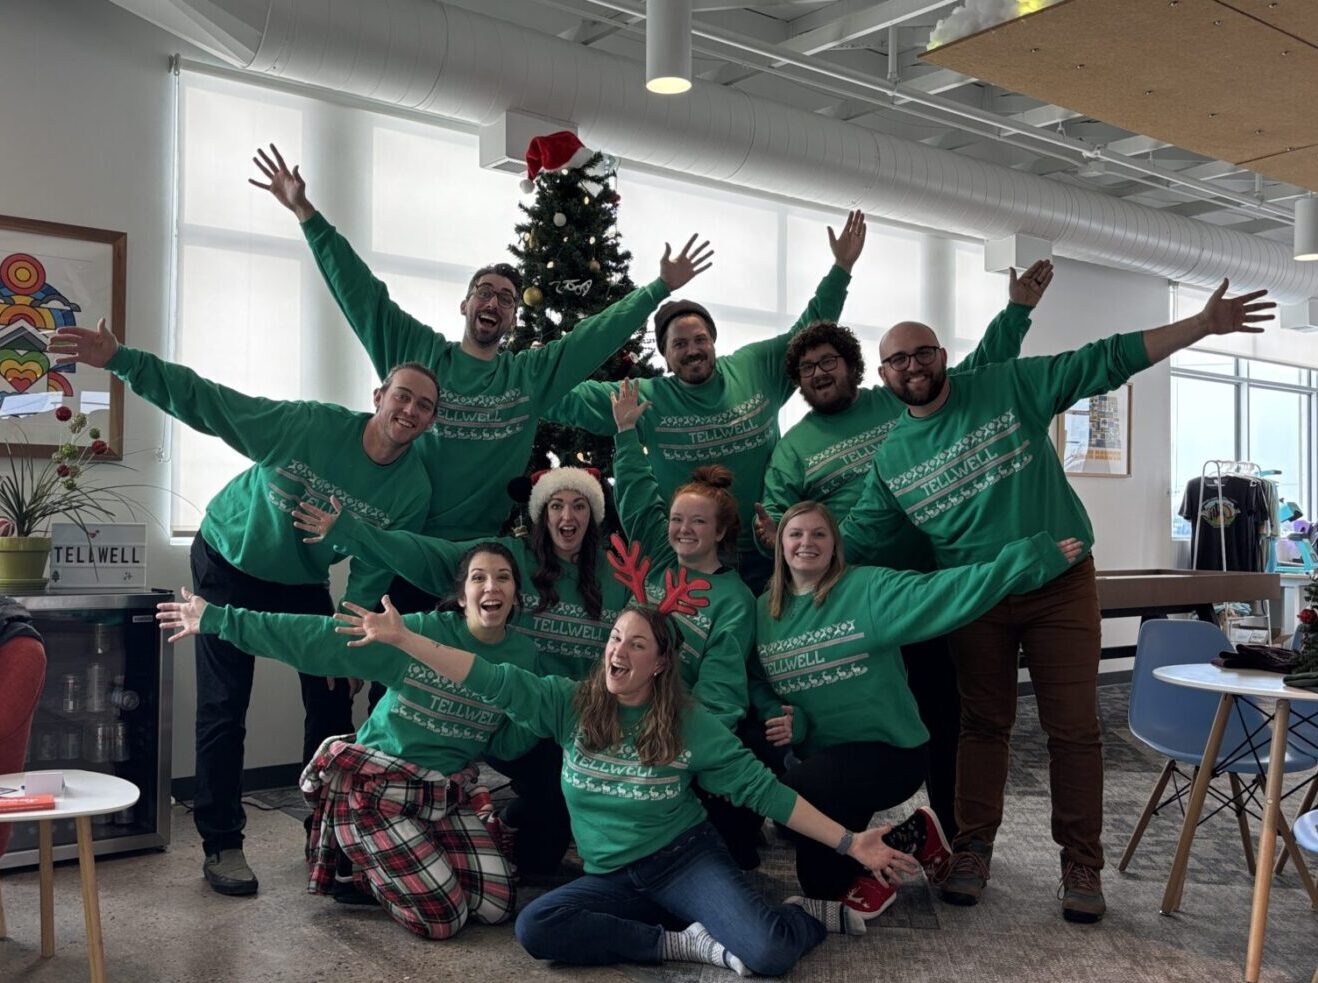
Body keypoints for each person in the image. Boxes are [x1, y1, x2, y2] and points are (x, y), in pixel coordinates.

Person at [838, 278, 1275, 922]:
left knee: (1073, 729)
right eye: (898, 359)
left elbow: (1103, 358)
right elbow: (857, 539)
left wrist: (1201, 325)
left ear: (942, 356)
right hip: (976, 599)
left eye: (923, 352)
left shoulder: (1006, 386)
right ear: (884, 375)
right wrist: (785, 563)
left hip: (1060, 586)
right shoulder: (892, 456)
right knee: (982, 726)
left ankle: (1081, 864)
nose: (913, 366)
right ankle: (972, 848)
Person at [319, 558, 927, 977]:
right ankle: (680, 943)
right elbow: (486, 676)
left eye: (638, 644)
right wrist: (404, 640)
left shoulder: (690, 723)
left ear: (661, 663)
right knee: (539, 929)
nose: (620, 650)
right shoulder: (568, 703)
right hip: (612, 877)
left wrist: (852, 843)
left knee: (768, 952)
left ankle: (802, 917)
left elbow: (765, 793)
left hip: (682, 861)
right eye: (616, 638)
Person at [49, 319, 437, 897]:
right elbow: (213, 404)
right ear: (378, 397)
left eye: (424, 405)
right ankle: (222, 842)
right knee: (226, 705)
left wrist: (349, 645)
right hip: (227, 558)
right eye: (401, 395)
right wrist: (122, 358)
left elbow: (371, 571)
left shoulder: (412, 489)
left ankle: (327, 837)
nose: (410, 409)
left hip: (300, 580)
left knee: (333, 700)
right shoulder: (308, 425)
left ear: (431, 420)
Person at [249, 145, 711, 582]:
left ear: (512, 318)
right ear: (465, 305)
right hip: (403, 543)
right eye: (484, 292)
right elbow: (360, 293)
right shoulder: (417, 354)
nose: (494, 302)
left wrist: (658, 288)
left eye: (507, 299)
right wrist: (306, 214)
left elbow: (590, 339)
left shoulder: (527, 376)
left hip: (480, 559)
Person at [754, 259, 1054, 839]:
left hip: (923, 588)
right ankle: (851, 837)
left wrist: (1016, 312)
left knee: (945, 718)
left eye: (829, 362)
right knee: (865, 737)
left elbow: (978, 373)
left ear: (853, 366)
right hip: (851, 609)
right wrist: (777, 542)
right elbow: (785, 523)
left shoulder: (895, 402)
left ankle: (955, 834)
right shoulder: (794, 449)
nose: (819, 373)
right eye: (807, 368)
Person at [155, 544, 540, 939]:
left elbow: (508, 744)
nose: (491, 586)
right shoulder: (418, 632)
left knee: (495, 906)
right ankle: (359, 861)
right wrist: (221, 619)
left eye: (503, 577)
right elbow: (316, 636)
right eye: (479, 577)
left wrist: (535, 717)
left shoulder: (522, 654)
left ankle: (404, 855)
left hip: (443, 791)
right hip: (379, 787)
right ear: (462, 596)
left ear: (515, 593)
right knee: (444, 919)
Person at [290, 466, 631, 878]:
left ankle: (504, 823)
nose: (567, 516)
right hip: (504, 716)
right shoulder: (508, 559)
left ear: (593, 514)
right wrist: (352, 532)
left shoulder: (616, 576)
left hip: (572, 715)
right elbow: (427, 554)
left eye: (579, 506)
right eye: (556, 505)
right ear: (541, 513)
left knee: (571, 790)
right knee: (551, 794)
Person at [755, 500, 1083, 916]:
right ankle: (915, 833)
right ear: (780, 545)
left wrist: (1019, 564)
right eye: (796, 534)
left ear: (835, 544)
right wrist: (785, 717)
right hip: (828, 763)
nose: (807, 542)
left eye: (819, 533)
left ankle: (877, 848)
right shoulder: (765, 610)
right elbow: (755, 678)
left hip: (889, 754)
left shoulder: (868, 589)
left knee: (795, 788)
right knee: (822, 886)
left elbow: (945, 591)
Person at [544, 210, 868, 591]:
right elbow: (559, 399)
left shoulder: (755, 368)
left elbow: (811, 329)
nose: (693, 350)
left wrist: (841, 267)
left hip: (772, 554)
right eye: (679, 344)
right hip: (695, 567)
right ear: (664, 356)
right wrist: (518, 377)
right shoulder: (644, 398)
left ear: (714, 341)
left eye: (700, 339)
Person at [609, 378, 761, 866]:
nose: (683, 530)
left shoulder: (735, 599)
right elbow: (636, 494)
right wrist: (626, 433)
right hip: (624, 710)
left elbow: (722, 693)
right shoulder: (658, 559)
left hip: (679, 728)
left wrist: (675, 746)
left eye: (697, 522)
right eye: (678, 520)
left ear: (720, 531)